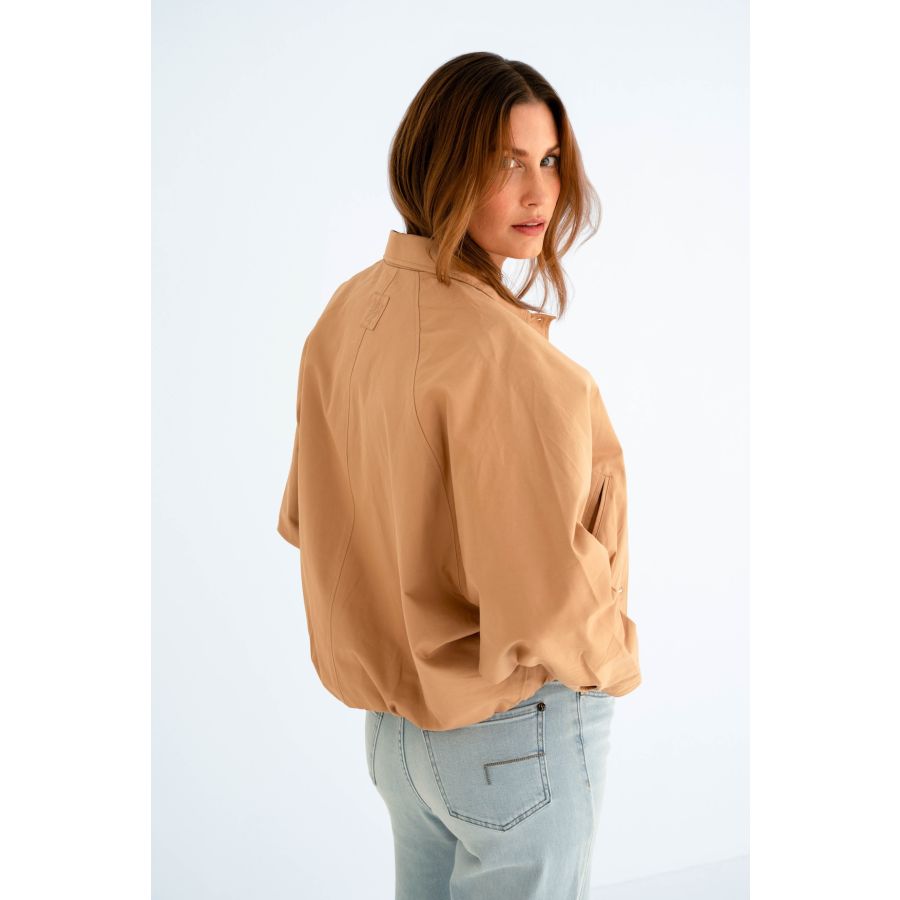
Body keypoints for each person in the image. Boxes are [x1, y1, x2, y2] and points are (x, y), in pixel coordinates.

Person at [276, 51, 641, 900]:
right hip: (514, 738)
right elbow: (546, 591)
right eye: (507, 162)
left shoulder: (348, 312)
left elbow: (307, 518)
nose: (539, 193)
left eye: (550, 160)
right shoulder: (506, 358)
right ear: (440, 163)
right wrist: (612, 669)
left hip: (397, 740)